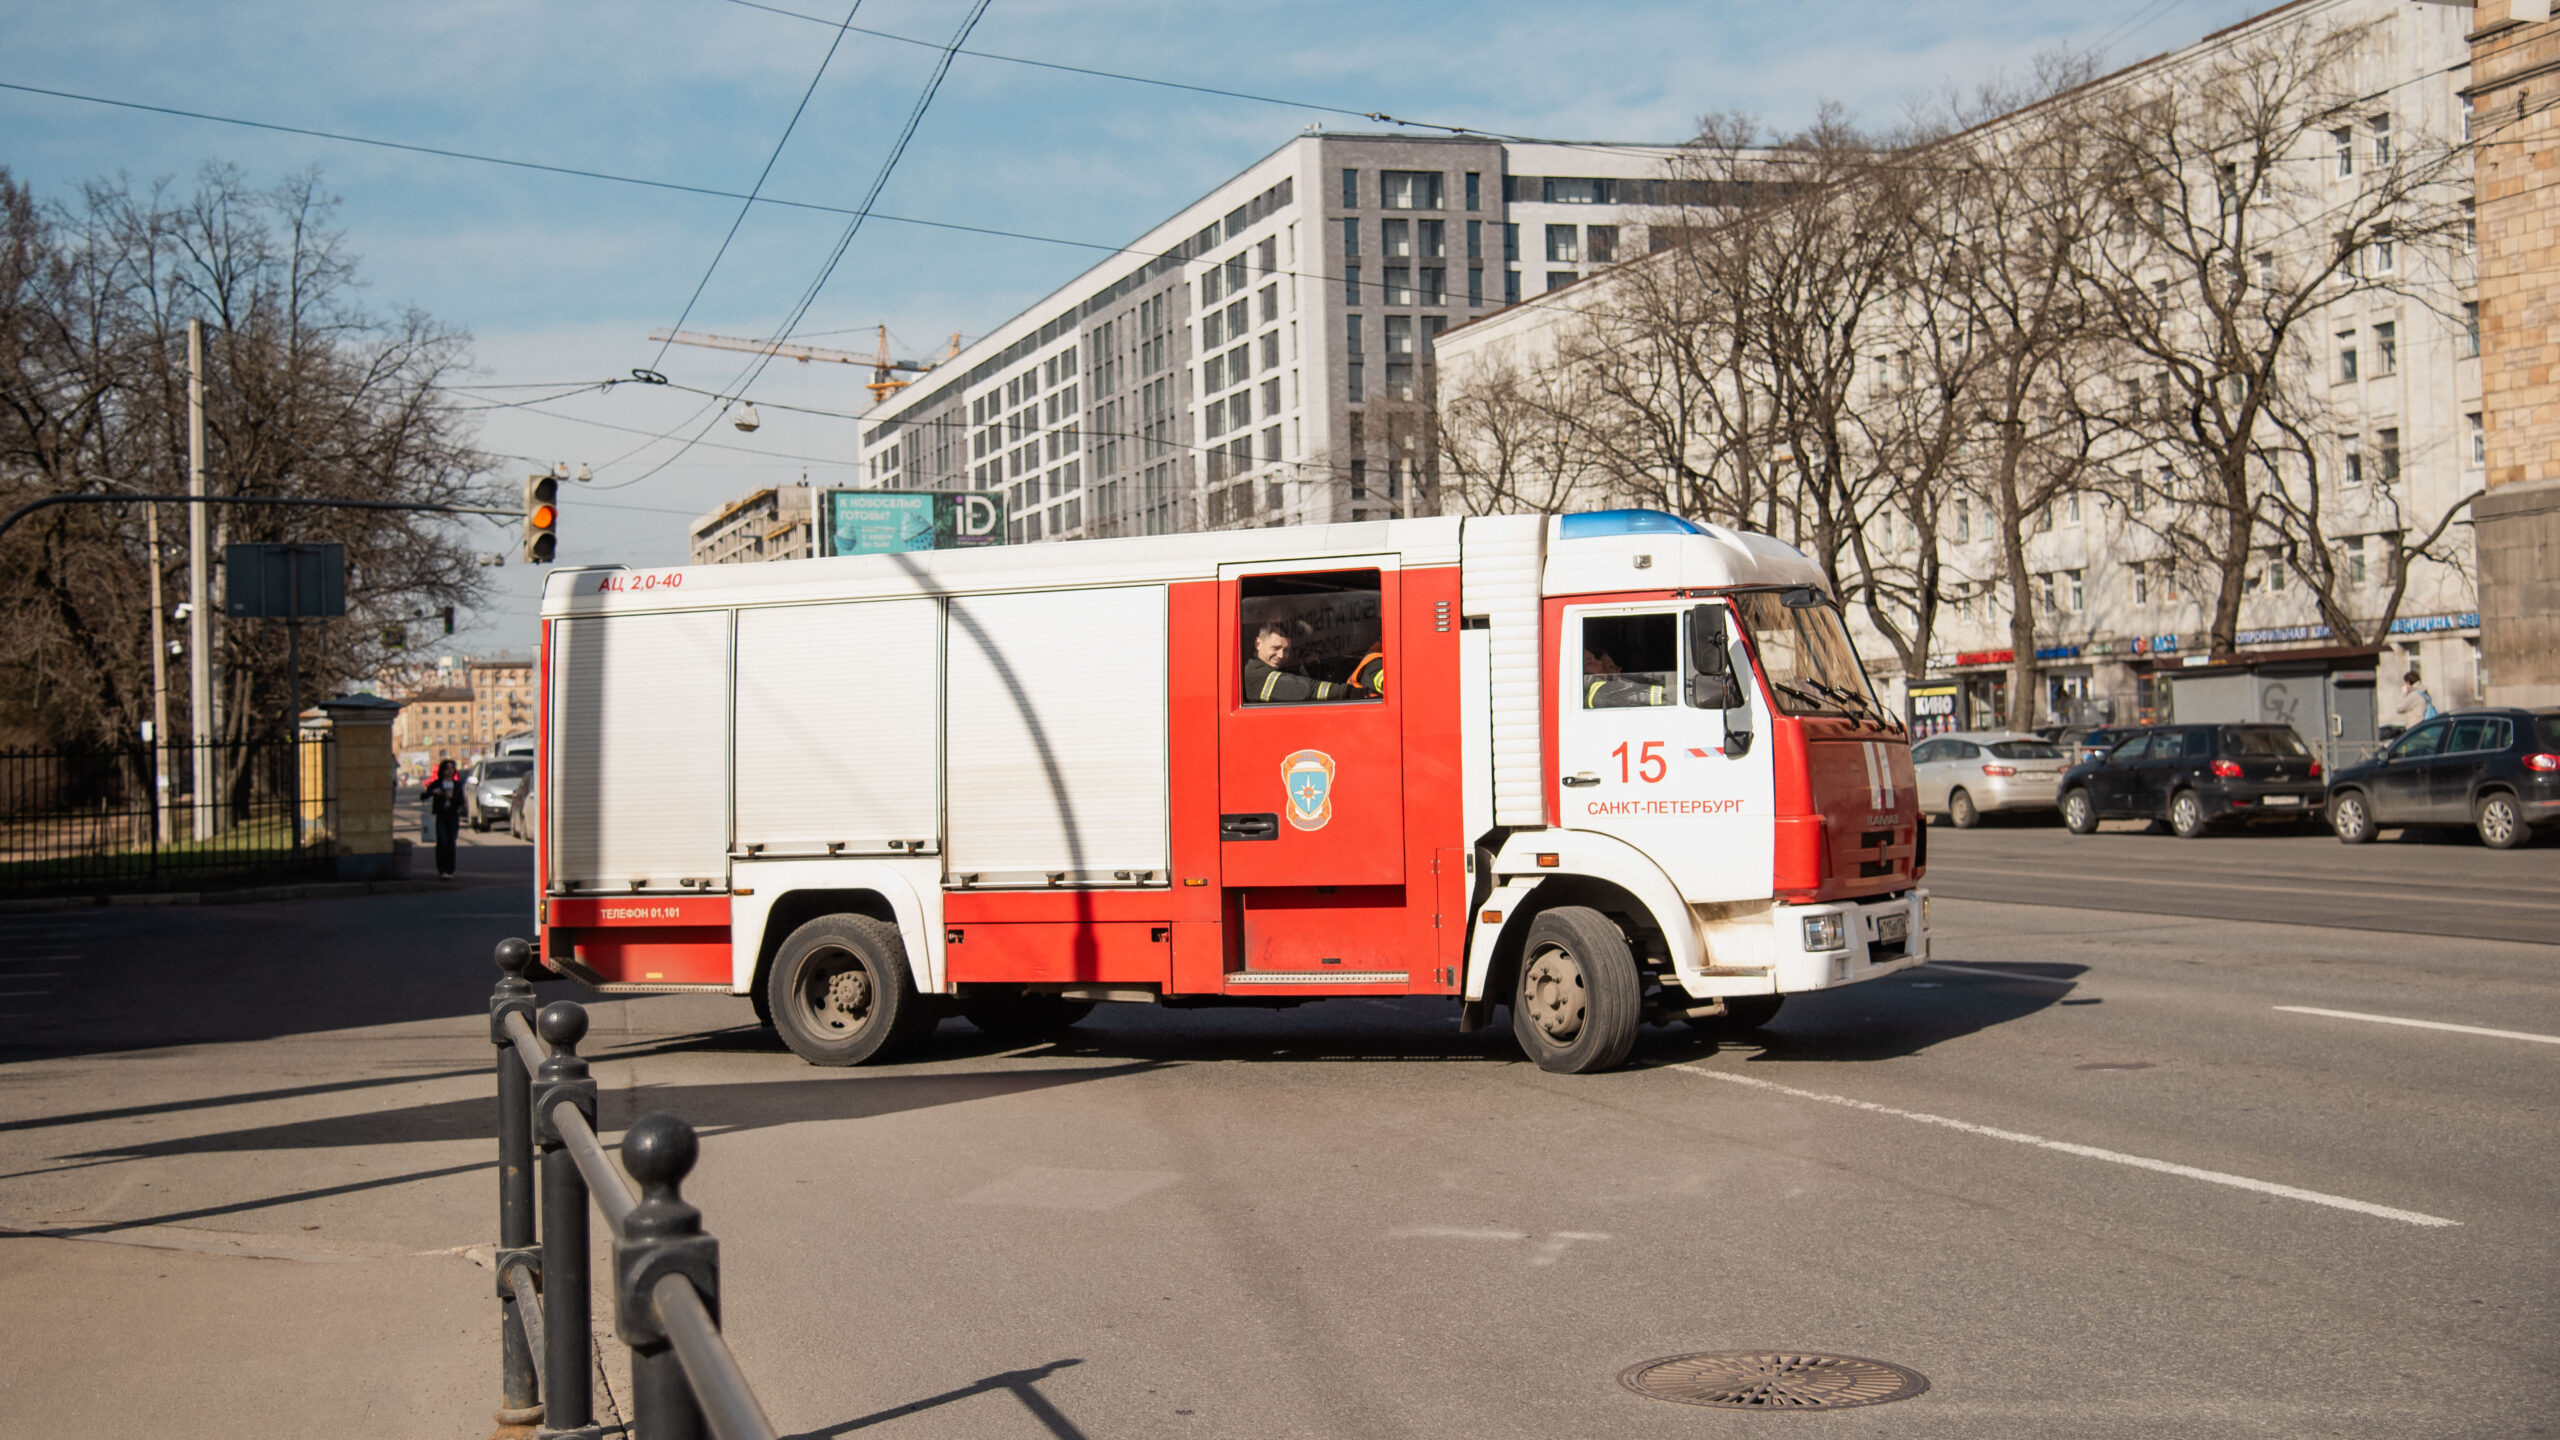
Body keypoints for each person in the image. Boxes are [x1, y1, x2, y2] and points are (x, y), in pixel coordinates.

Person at [1244, 621, 1353, 703]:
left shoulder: (1274, 668)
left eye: (1286, 650)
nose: (1281, 655)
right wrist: (1349, 692)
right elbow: (1305, 690)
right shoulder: (1255, 675)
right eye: (1275, 648)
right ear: (1258, 644)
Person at [423, 757, 466, 880]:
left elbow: (461, 801)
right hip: (440, 815)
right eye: (447, 768)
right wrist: (434, 792)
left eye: (452, 768)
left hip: (452, 816)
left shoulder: (457, 784)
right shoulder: (437, 783)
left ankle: (450, 869)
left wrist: (450, 796)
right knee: (442, 842)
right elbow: (424, 795)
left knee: (451, 842)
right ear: (442, 770)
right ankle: (442, 869)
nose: (450, 771)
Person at [1583, 647, 1668, 708]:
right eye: (1590, 662)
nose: (1599, 663)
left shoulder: (1617, 682)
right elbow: (1664, 697)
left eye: (1595, 659)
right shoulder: (1602, 692)